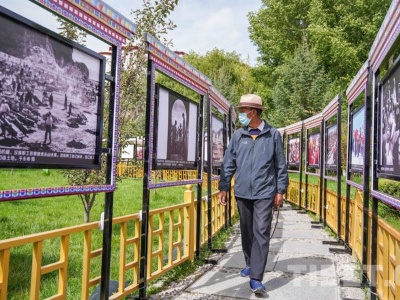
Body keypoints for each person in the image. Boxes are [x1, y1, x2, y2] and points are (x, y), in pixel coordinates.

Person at [218, 94, 288, 295]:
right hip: (242, 192)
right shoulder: (239, 136)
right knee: (247, 231)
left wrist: (280, 190)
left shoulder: (273, 135)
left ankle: (256, 278)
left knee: (261, 232)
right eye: (240, 110)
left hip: (265, 192)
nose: (240, 114)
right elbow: (228, 163)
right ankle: (249, 262)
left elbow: (280, 166)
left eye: (243, 110)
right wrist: (224, 186)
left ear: (253, 112)